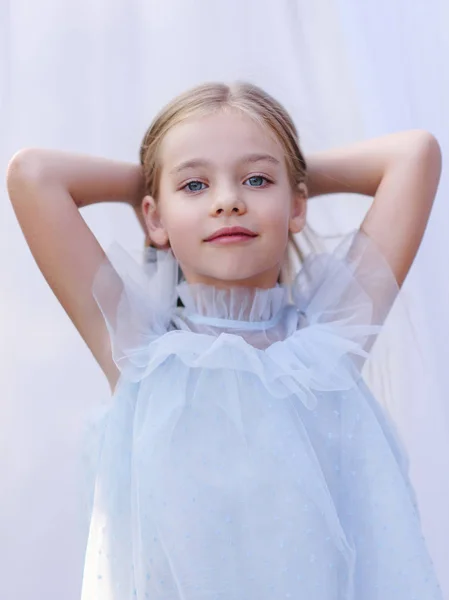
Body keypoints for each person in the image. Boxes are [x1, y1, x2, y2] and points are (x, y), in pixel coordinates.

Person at [7, 81, 443, 599]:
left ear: (297, 206)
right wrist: (161, 177)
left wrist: (281, 171)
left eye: (256, 180)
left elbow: (415, 155)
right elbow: (32, 175)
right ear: (153, 218)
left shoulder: (327, 340)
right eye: (195, 187)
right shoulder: (140, 348)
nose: (228, 201)